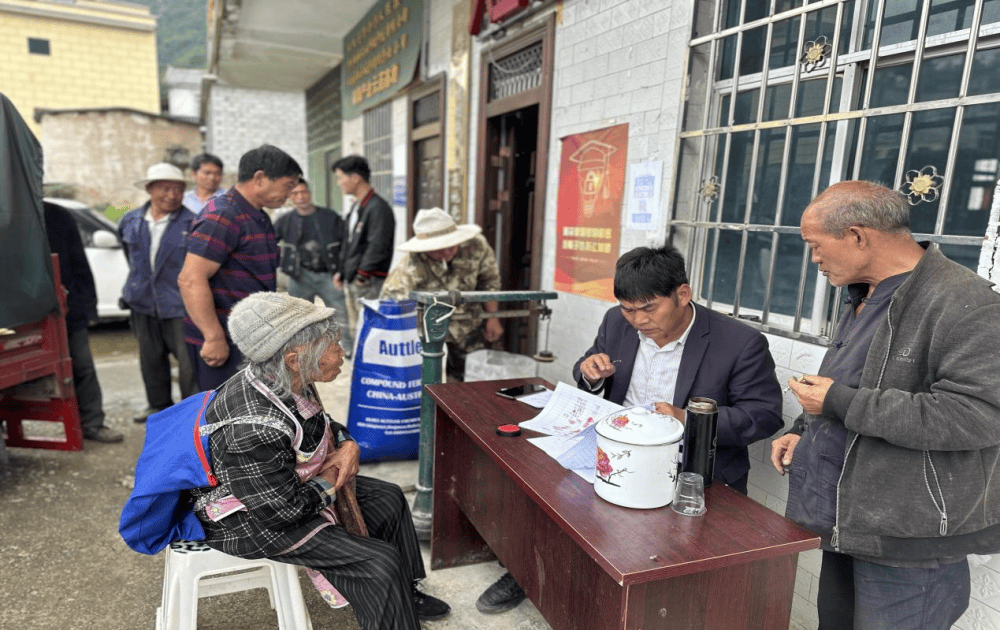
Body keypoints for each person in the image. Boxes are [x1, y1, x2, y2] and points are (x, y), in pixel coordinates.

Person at [476, 244, 784, 614]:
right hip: (614, 448)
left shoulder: (738, 342)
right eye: (628, 309)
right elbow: (587, 366)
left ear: (682, 295)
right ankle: (524, 570)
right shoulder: (616, 321)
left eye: (649, 308)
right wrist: (589, 373)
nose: (637, 320)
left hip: (691, 467)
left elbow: (765, 415)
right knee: (545, 492)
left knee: (659, 562)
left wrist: (687, 418)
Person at [770, 180, 1000, 630]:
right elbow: (846, 381)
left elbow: (977, 416)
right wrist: (802, 427)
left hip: (907, 542)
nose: (813, 258)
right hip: (846, 523)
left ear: (857, 236)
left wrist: (837, 401)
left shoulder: (965, 302)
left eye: (816, 246)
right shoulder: (865, 292)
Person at [188, 292, 450, 630]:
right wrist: (331, 477)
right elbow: (283, 513)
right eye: (333, 345)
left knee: (389, 498)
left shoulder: (287, 380)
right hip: (247, 519)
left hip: (286, 487)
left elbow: (324, 427)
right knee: (377, 563)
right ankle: (389, 601)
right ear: (296, 359)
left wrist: (347, 444)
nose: (341, 352)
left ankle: (403, 592)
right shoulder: (252, 427)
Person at [178, 144, 302, 391]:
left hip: (247, 338)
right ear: (259, 178)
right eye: (288, 185)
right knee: (219, 414)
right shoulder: (223, 215)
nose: (290, 194)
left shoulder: (258, 216)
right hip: (224, 339)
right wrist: (213, 337)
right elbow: (191, 279)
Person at [380, 208, 503, 380]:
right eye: (438, 249)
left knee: (473, 385)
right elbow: (392, 303)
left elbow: (490, 281)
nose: (446, 253)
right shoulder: (411, 264)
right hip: (429, 335)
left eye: (451, 245)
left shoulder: (477, 246)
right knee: (434, 387)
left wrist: (493, 316)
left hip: (470, 328)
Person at [118, 163, 198, 422]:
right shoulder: (130, 220)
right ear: (150, 189)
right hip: (142, 302)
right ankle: (158, 407)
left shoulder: (193, 222)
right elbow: (130, 257)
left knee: (189, 365)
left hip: (180, 304)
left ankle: (190, 414)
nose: (172, 195)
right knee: (150, 359)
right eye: (165, 189)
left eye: (178, 190)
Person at [43, 202, 123, 443]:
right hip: (24, 314)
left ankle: (92, 423)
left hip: (68, 308)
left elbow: (79, 263)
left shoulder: (57, 214)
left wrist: (89, 307)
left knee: (82, 366)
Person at [273, 179, 352, 355]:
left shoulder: (329, 217)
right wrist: (283, 261)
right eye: (295, 194)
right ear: (290, 197)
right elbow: (269, 242)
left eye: (304, 192)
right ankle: (303, 349)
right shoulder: (285, 220)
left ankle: (345, 345)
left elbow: (346, 244)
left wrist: (341, 271)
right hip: (299, 275)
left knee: (339, 312)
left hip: (328, 274)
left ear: (309, 192)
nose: (300, 197)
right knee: (298, 316)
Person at [331, 155, 394, 338]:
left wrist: (362, 275)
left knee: (372, 331)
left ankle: (374, 367)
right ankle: (362, 366)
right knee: (358, 330)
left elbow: (378, 245)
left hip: (369, 282)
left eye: (341, 177)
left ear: (356, 177)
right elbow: (349, 243)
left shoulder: (378, 208)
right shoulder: (357, 207)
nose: (339, 183)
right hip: (354, 281)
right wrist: (341, 272)